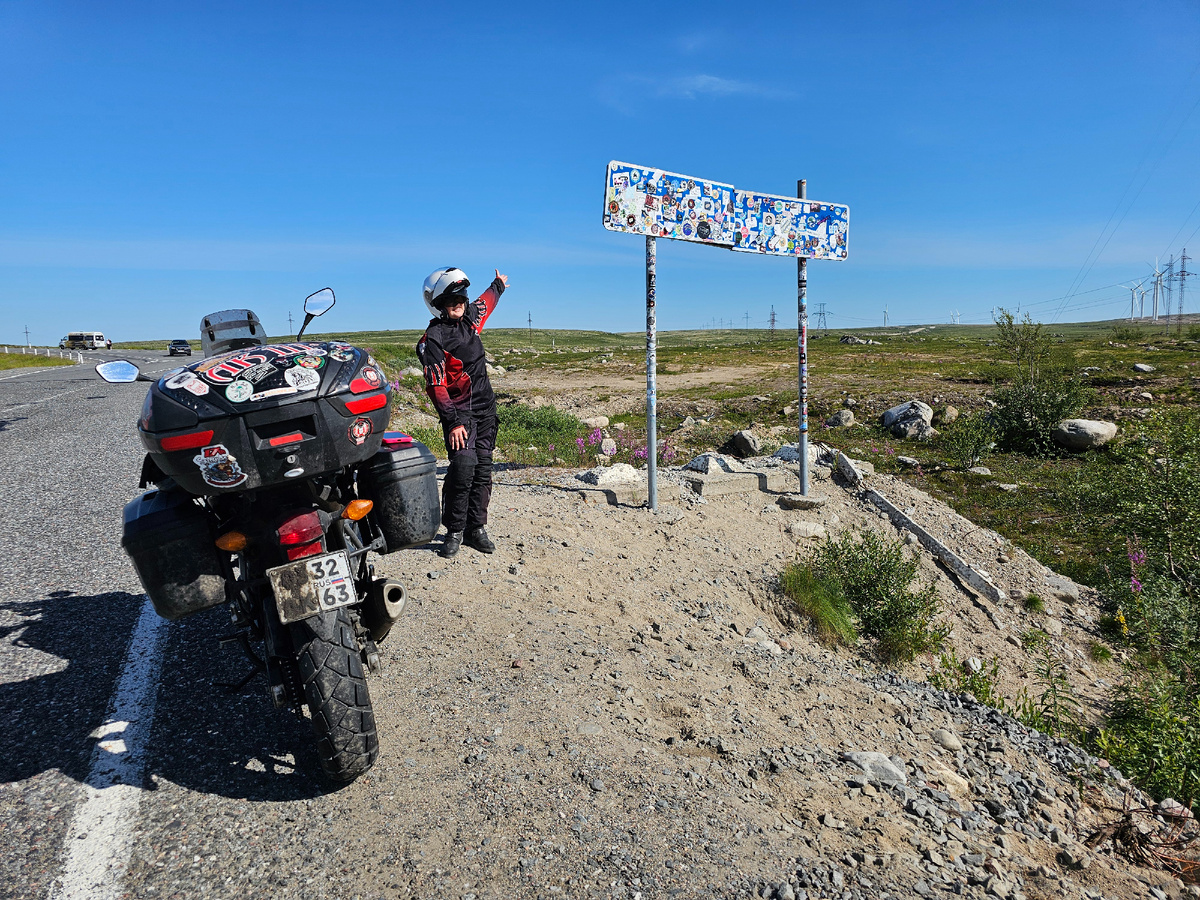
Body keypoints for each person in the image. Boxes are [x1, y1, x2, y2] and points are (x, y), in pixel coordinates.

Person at [416, 266, 509, 557]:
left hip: (486, 409)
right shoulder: (433, 339)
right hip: (459, 414)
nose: (458, 303)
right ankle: (454, 531)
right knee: (463, 468)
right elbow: (436, 386)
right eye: (451, 300)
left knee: (483, 470)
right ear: (438, 305)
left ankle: (476, 529)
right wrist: (453, 422)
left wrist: (498, 285)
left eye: (461, 298)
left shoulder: (470, 319)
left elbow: (486, 302)